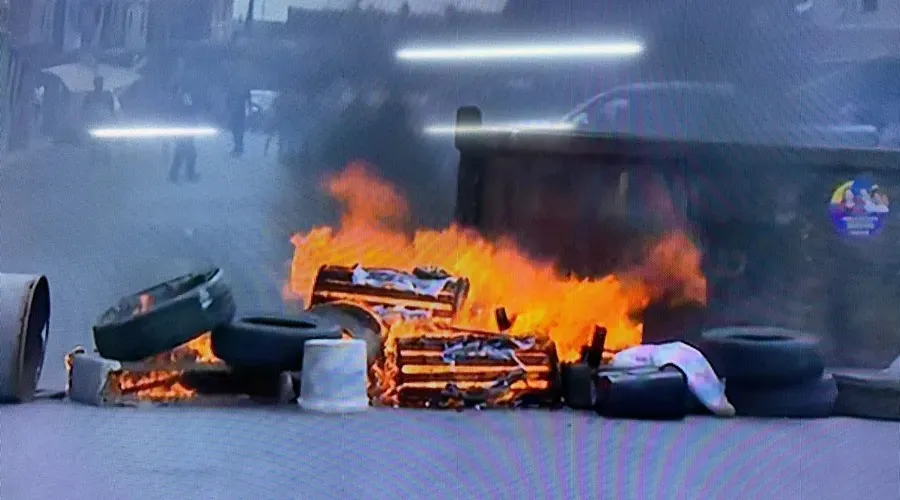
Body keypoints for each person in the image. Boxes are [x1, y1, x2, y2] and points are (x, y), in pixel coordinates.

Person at [81, 77, 116, 165]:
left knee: (105, 141)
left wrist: (112, 117)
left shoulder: (108, 94)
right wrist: (85, 118)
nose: (99, 84)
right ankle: (93, 158)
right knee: (94, 141)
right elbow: (84, 108)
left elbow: (112, 108)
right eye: (97, 82)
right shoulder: (89, 96)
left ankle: (106, 159)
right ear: (94, 84)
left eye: (100, 82)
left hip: (105, 121)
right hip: (94, 121)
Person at [169, 87, 200, 182]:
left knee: (183, 155)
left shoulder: (183, 107)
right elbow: (186, 120)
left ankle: (178, 175)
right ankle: (186, 175)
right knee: (185, 155)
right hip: (183, 135)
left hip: (185, 135)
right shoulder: (182, 108)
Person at [228, 87, 251, 157]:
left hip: (240, 117)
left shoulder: (242, 97)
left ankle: (238, 147)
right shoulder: (232, 95)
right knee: (236, 132)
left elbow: (247, 105)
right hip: (236, 117)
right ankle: (238, 147)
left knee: (239, 132)